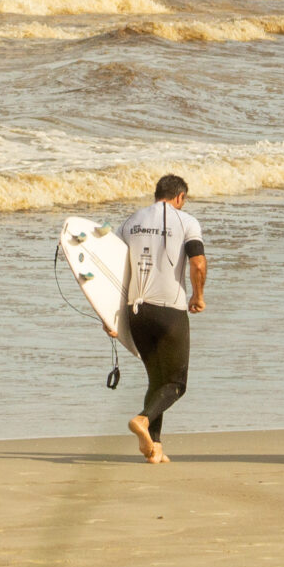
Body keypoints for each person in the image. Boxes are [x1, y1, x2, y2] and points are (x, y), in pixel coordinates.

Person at [115, 174, 207, 464]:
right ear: (179, 197)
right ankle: (142, 420)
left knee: (157, 380)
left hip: (135, 312)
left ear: (157, 194)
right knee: (176, 383)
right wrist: (198, 296)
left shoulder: (130, 222)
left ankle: (154, 448)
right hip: (169, 311)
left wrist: (110, 317)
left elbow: (113, 269)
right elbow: (198, 262)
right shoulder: (187, 222)